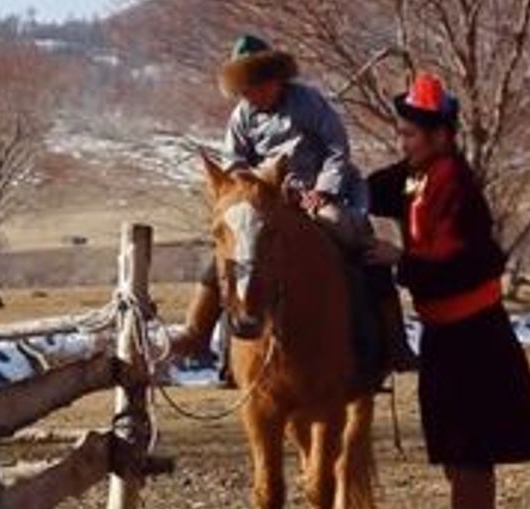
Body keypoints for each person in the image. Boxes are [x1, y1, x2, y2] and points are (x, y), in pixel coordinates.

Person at [366, 72, 530, 509]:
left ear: (439, 136)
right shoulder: (419, 175)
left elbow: (460, 261)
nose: (402, 142)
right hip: (448, 334)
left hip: (473, 336)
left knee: (468, 446)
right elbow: (375, 189)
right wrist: (325, 189)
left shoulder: (455, 184)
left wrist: (401, 259)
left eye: (410, 134)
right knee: (458, 447)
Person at [173, 34, 416, 384]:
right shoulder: (243, 114)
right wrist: (253, 190)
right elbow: (234, 163)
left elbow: (337, 149)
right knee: (227, 253)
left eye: (256, 86)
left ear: (275, 79)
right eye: (244, 90)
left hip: (317, 195)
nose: (251, 96)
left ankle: (394, 342)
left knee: (359, 242)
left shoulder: (309, 102)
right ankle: (200, 337)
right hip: (265, 201)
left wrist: (323, 190)